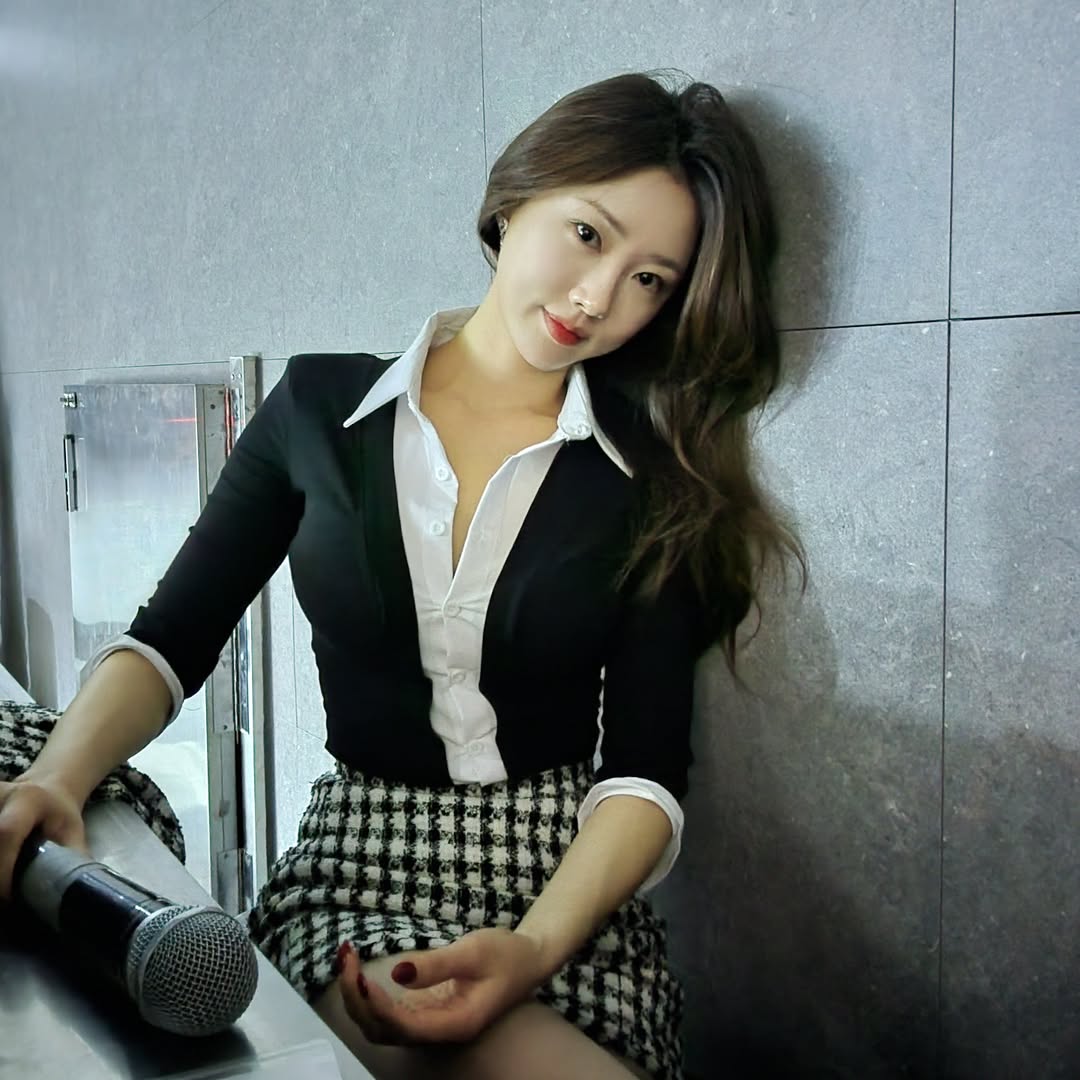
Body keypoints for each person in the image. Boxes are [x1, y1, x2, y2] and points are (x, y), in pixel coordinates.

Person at [0, 70, 802, 1079]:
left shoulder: (653, 477)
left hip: (568, 889)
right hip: (361, 863)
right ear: (513, 200)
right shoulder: (318, 410)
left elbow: (643, 775)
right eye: (587, 234)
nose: (597, 297)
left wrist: (533, 948)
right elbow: (170, 641)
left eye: (649, 279)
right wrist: (56, 776)